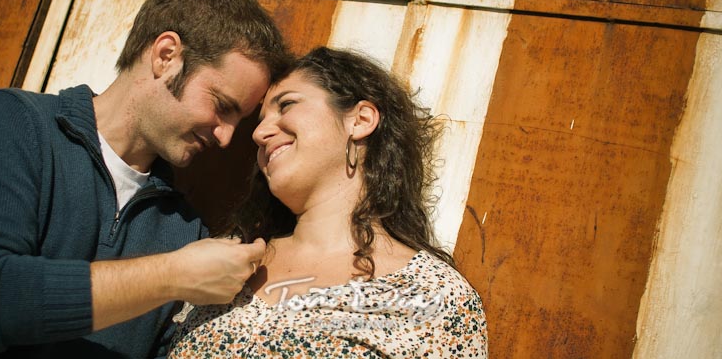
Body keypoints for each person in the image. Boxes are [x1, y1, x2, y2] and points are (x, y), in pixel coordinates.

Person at [0, 0, 290, 358]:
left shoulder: (183, 231)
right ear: (166, 55)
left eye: (238, 122)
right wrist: (174, 275)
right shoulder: (17, 124)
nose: (225, 137)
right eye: (222, 107)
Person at [169, 47, 488, 358]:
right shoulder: (220, 261)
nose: (259, 133)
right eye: (260, 120)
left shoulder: (434, 294)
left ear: (360, 120)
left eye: (287, 105)